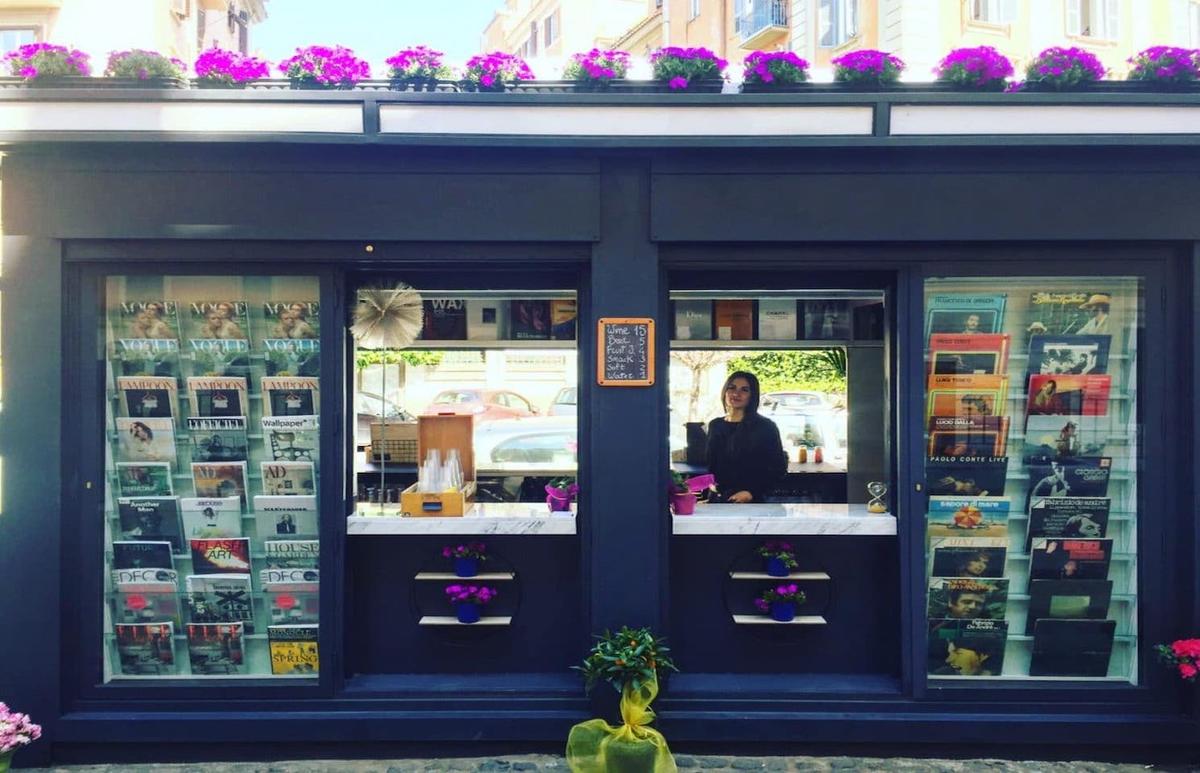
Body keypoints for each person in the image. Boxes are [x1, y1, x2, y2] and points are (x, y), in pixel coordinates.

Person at [705, 371, 787, 504]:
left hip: (751, 501)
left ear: (752, 396)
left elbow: (778, 469)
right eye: (732, 388)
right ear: (725, 391)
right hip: (718, 500)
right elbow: (712, 466)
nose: (736, 393)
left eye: (744, 390)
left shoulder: (765, 426)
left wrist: (751, 493)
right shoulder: (715, 425)